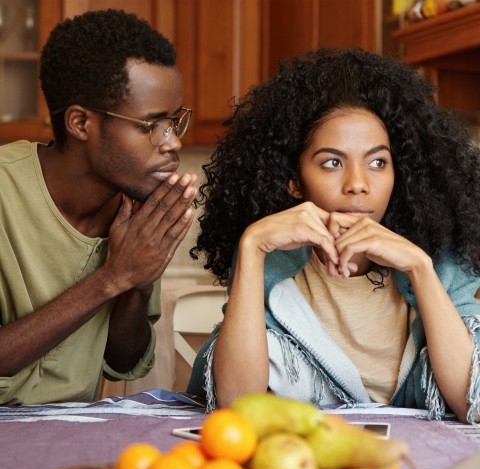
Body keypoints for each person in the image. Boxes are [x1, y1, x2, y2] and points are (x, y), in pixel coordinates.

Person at [187, 48, 480, 424]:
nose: (358, 184)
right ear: (294, 181)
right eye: (332, 163)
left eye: (378, 162)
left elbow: (473, 401)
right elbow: (236, 406)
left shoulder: (442, 261)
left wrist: (419, 267)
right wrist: (251, 245)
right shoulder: (273, 266)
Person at [0, 9, 197, 405]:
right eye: (150, 125)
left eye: (174, 122)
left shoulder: (136, 206)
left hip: (76, 432)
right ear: (81, 123)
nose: (172, 142)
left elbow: (122, 360)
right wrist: (113, 276)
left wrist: (139, 280)